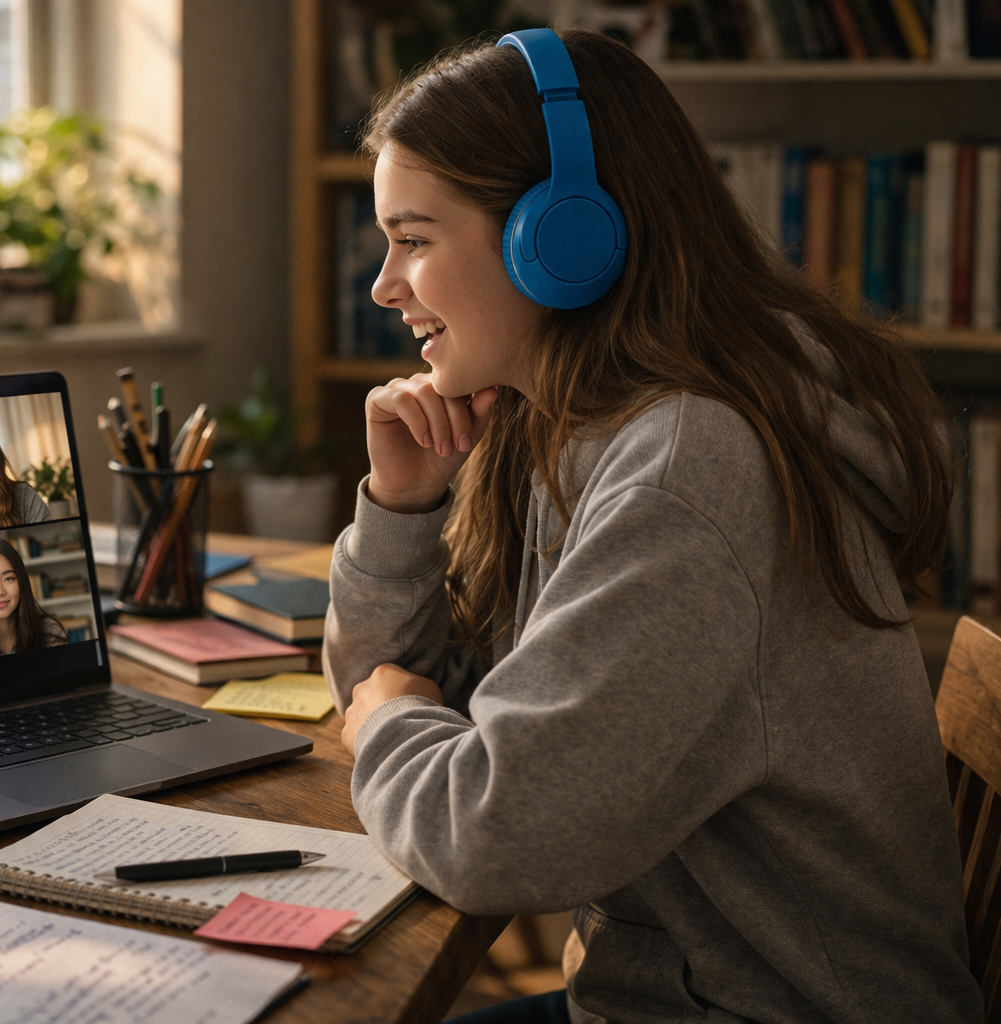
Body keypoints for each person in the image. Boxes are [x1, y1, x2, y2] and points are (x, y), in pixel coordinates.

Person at [325, 30, 980, 1024]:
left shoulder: (690, 475)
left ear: (562, 237)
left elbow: (488, 836)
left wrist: (382, 719)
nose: (385, 285)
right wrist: (403, 512)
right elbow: (420, 690)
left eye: (414, 239)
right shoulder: (569, 423)